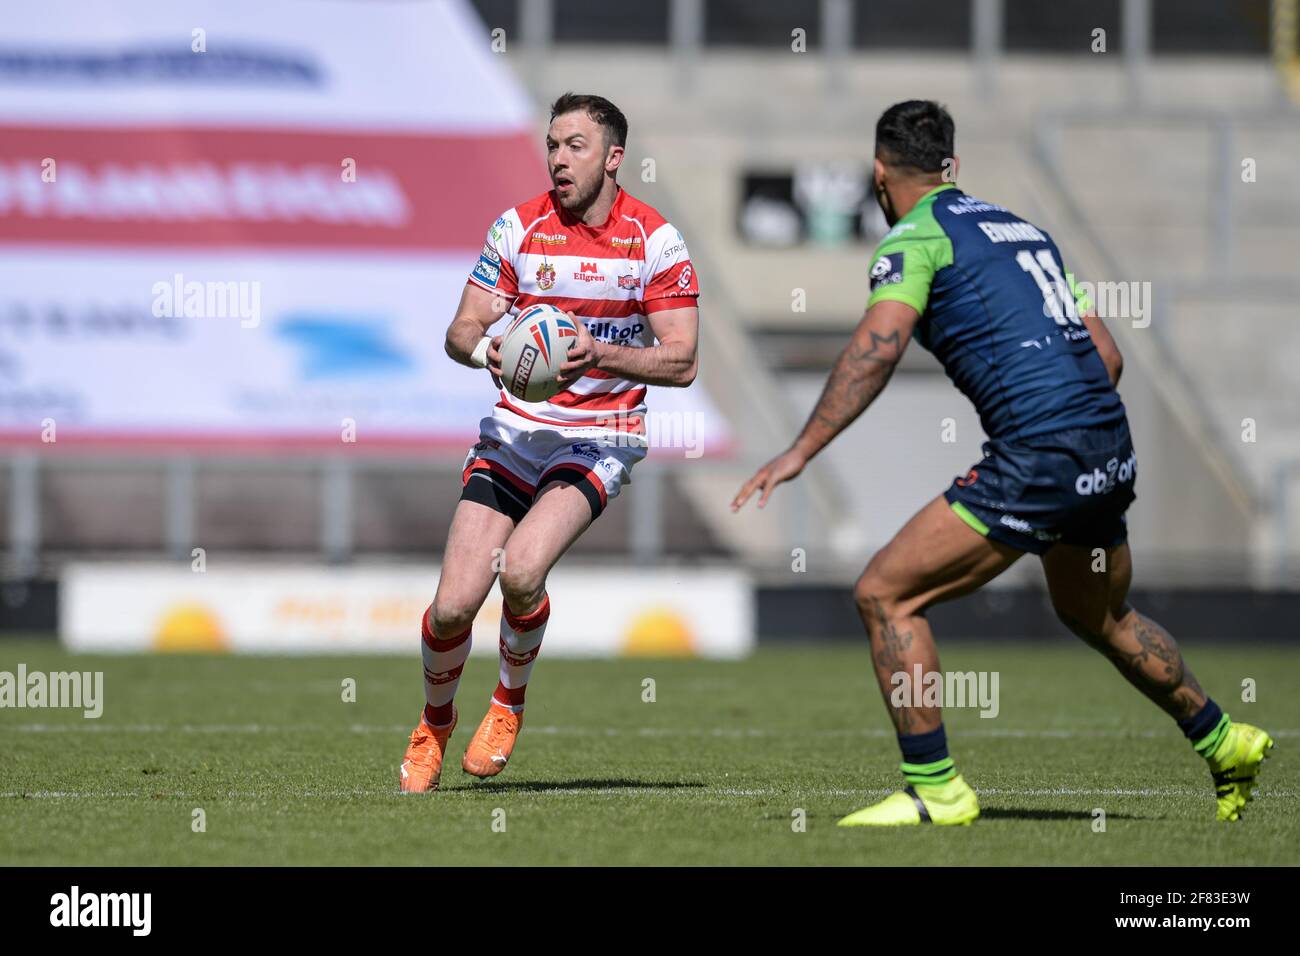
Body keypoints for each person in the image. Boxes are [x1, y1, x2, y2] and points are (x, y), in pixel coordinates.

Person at [733, 99, 1272, 825]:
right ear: (953, 167)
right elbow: (1106, 355)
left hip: (1041, 454)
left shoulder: (915, 239)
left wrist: (800, 449)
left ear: (878, 175)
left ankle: (936, 788)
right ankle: (1224, 738)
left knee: (886, 595)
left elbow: (878, 347)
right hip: (1108, 446)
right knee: (1101, 615)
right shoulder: (1027, 233)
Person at [399, 93, 700, 792]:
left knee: (523, 571)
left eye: (576, 147)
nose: (559, 160)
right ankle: (434, 724)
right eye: (553, 146)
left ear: (614, 158)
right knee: (451, 605)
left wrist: (597, 352)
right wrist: (491, 356)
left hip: (599, 437)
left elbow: (682, 361)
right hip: (514, 434)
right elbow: (460, 331)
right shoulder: (517, 228)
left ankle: (507, 702)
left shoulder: (654, 242)